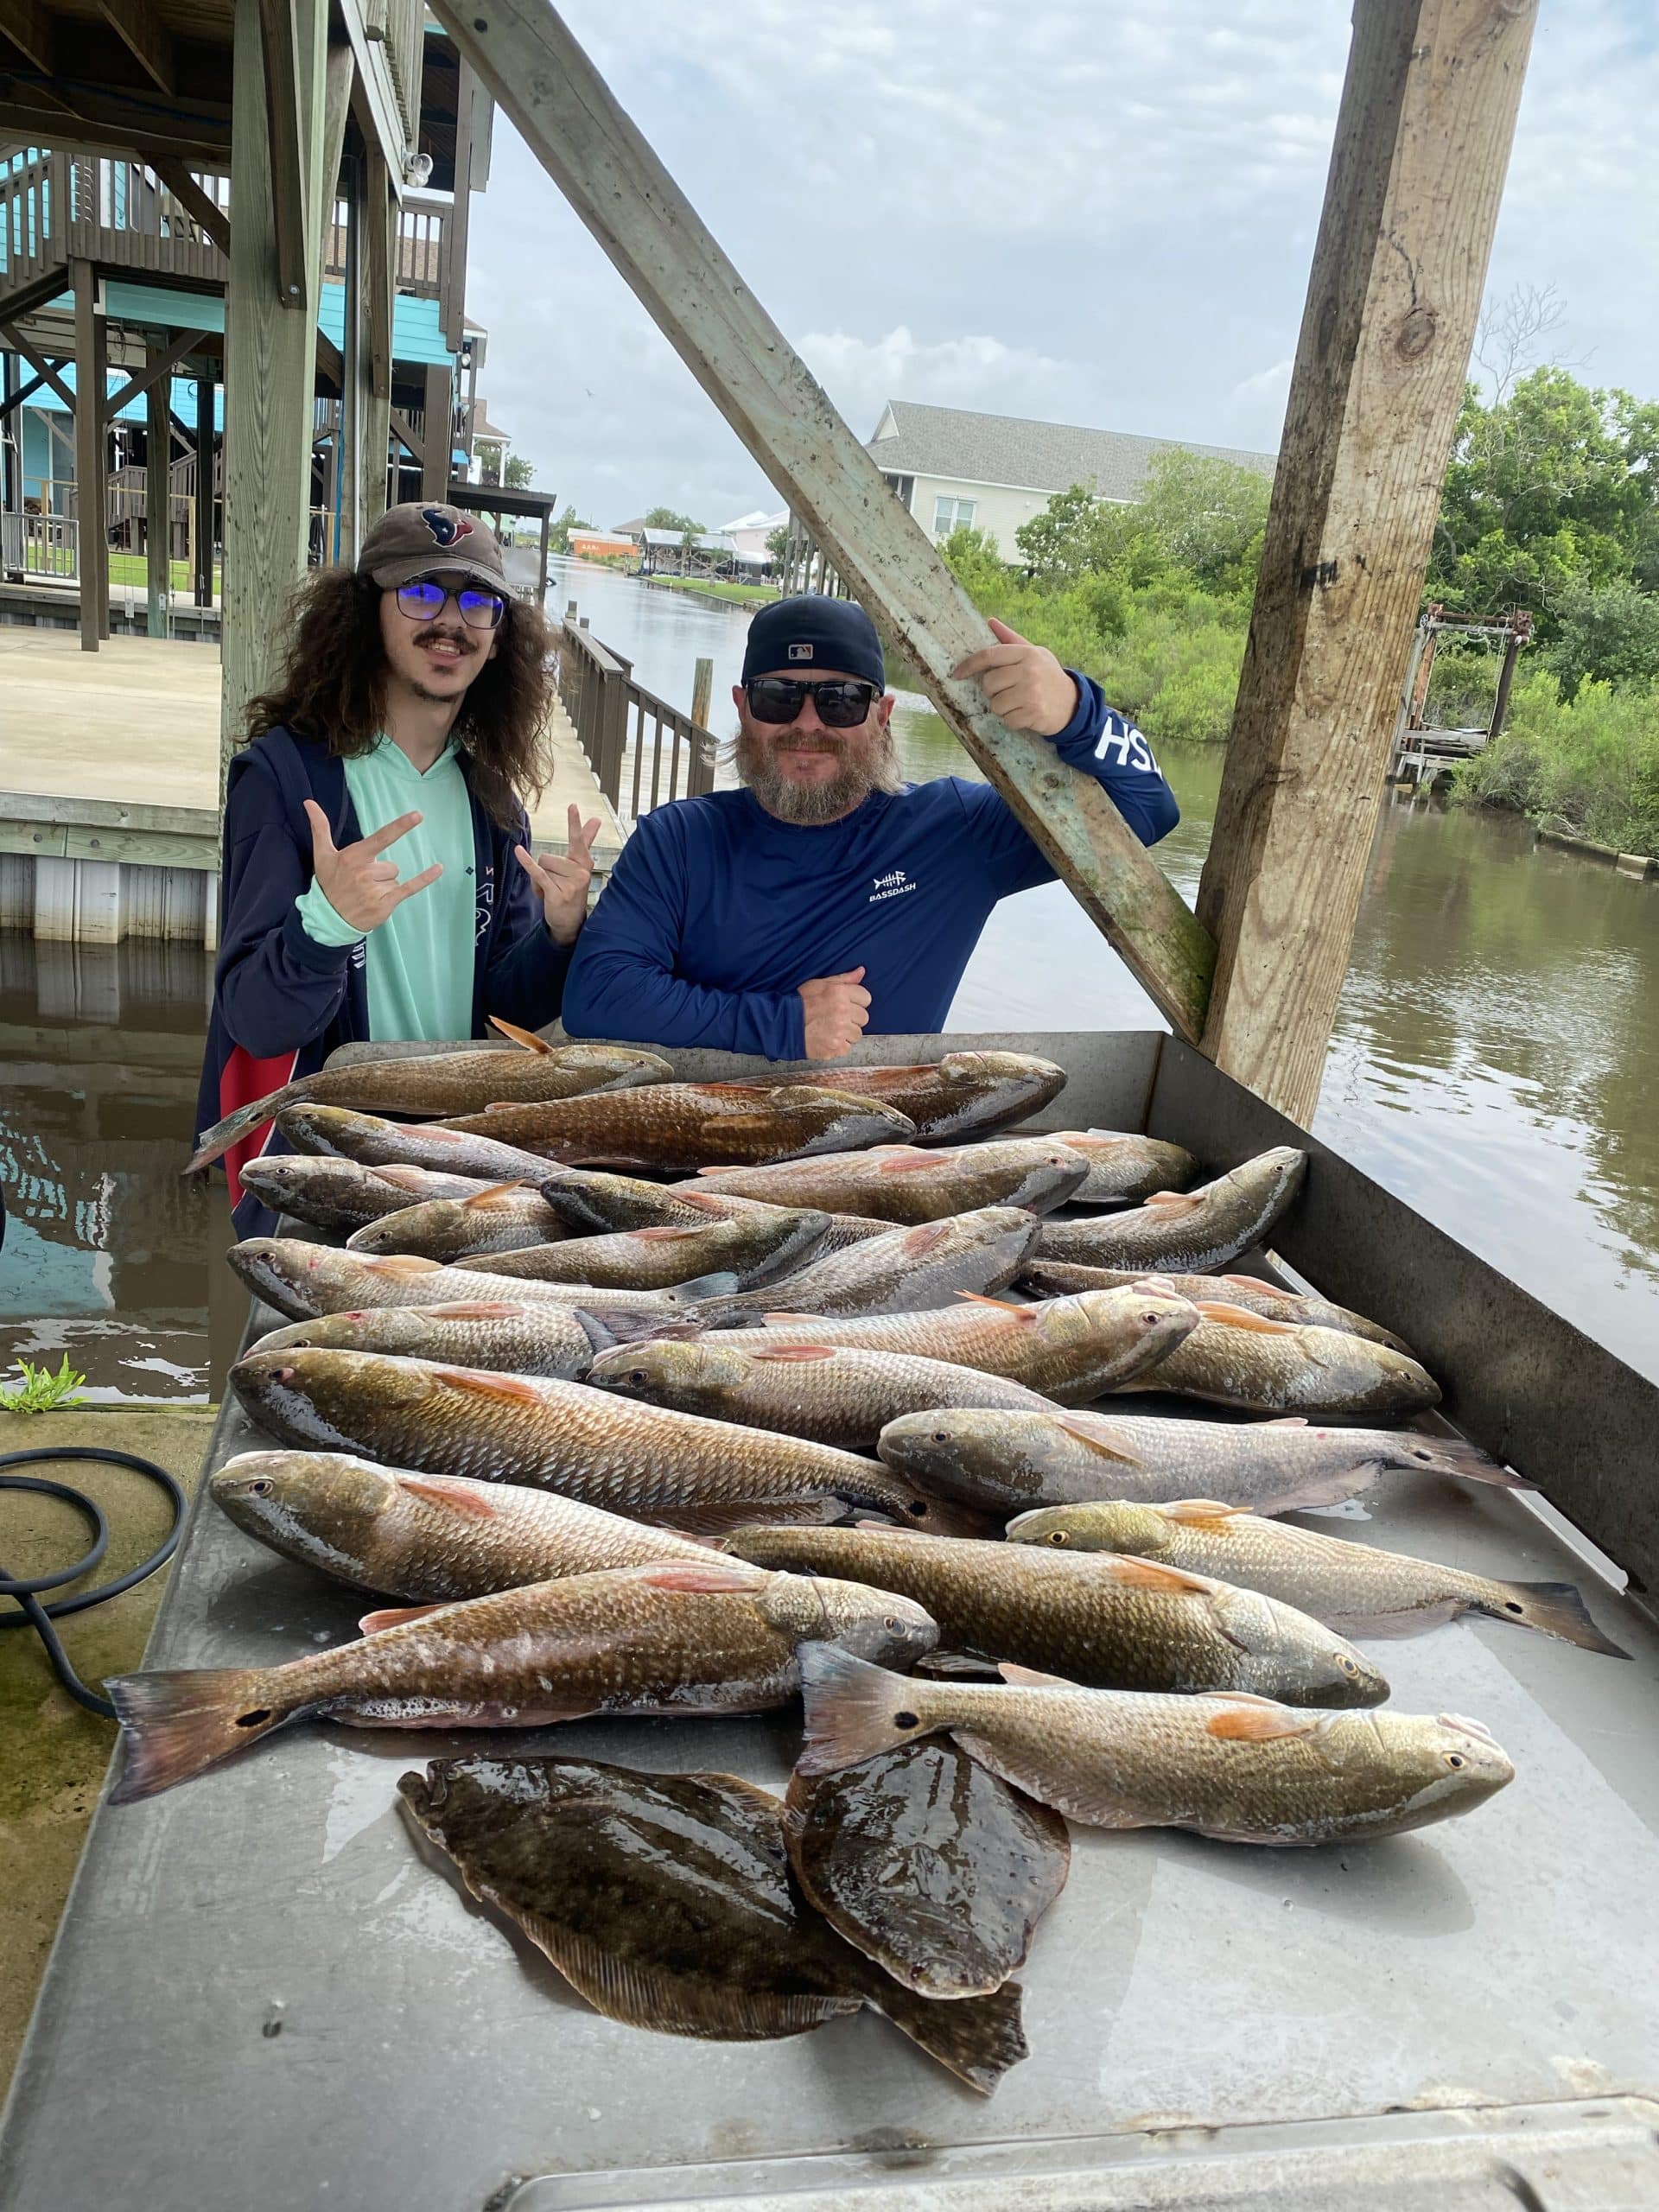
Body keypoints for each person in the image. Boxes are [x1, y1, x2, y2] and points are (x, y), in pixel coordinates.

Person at [197, 502, 596, 1235]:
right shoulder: (284, 780)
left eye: (477, 603)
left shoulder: (493, 803)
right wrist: (324, 925)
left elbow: (504, 1006)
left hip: (443, 1158)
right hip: (320, 1163)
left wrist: (559, 937)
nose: (451, 622)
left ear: (498, 640)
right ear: (364, 614)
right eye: (421, 592)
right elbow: (254, 1019)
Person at [560, 594, 1178, 1059]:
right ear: (743, 709)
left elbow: (1147, 811)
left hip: (875, 1153)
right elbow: (598, 997)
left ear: (882, 715)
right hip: (696, 1141)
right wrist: (784, 1025)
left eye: (841, 701)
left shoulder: (954, 833)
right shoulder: (677, 840)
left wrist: (1078, 712)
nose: (808, 724)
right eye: (778, 697)